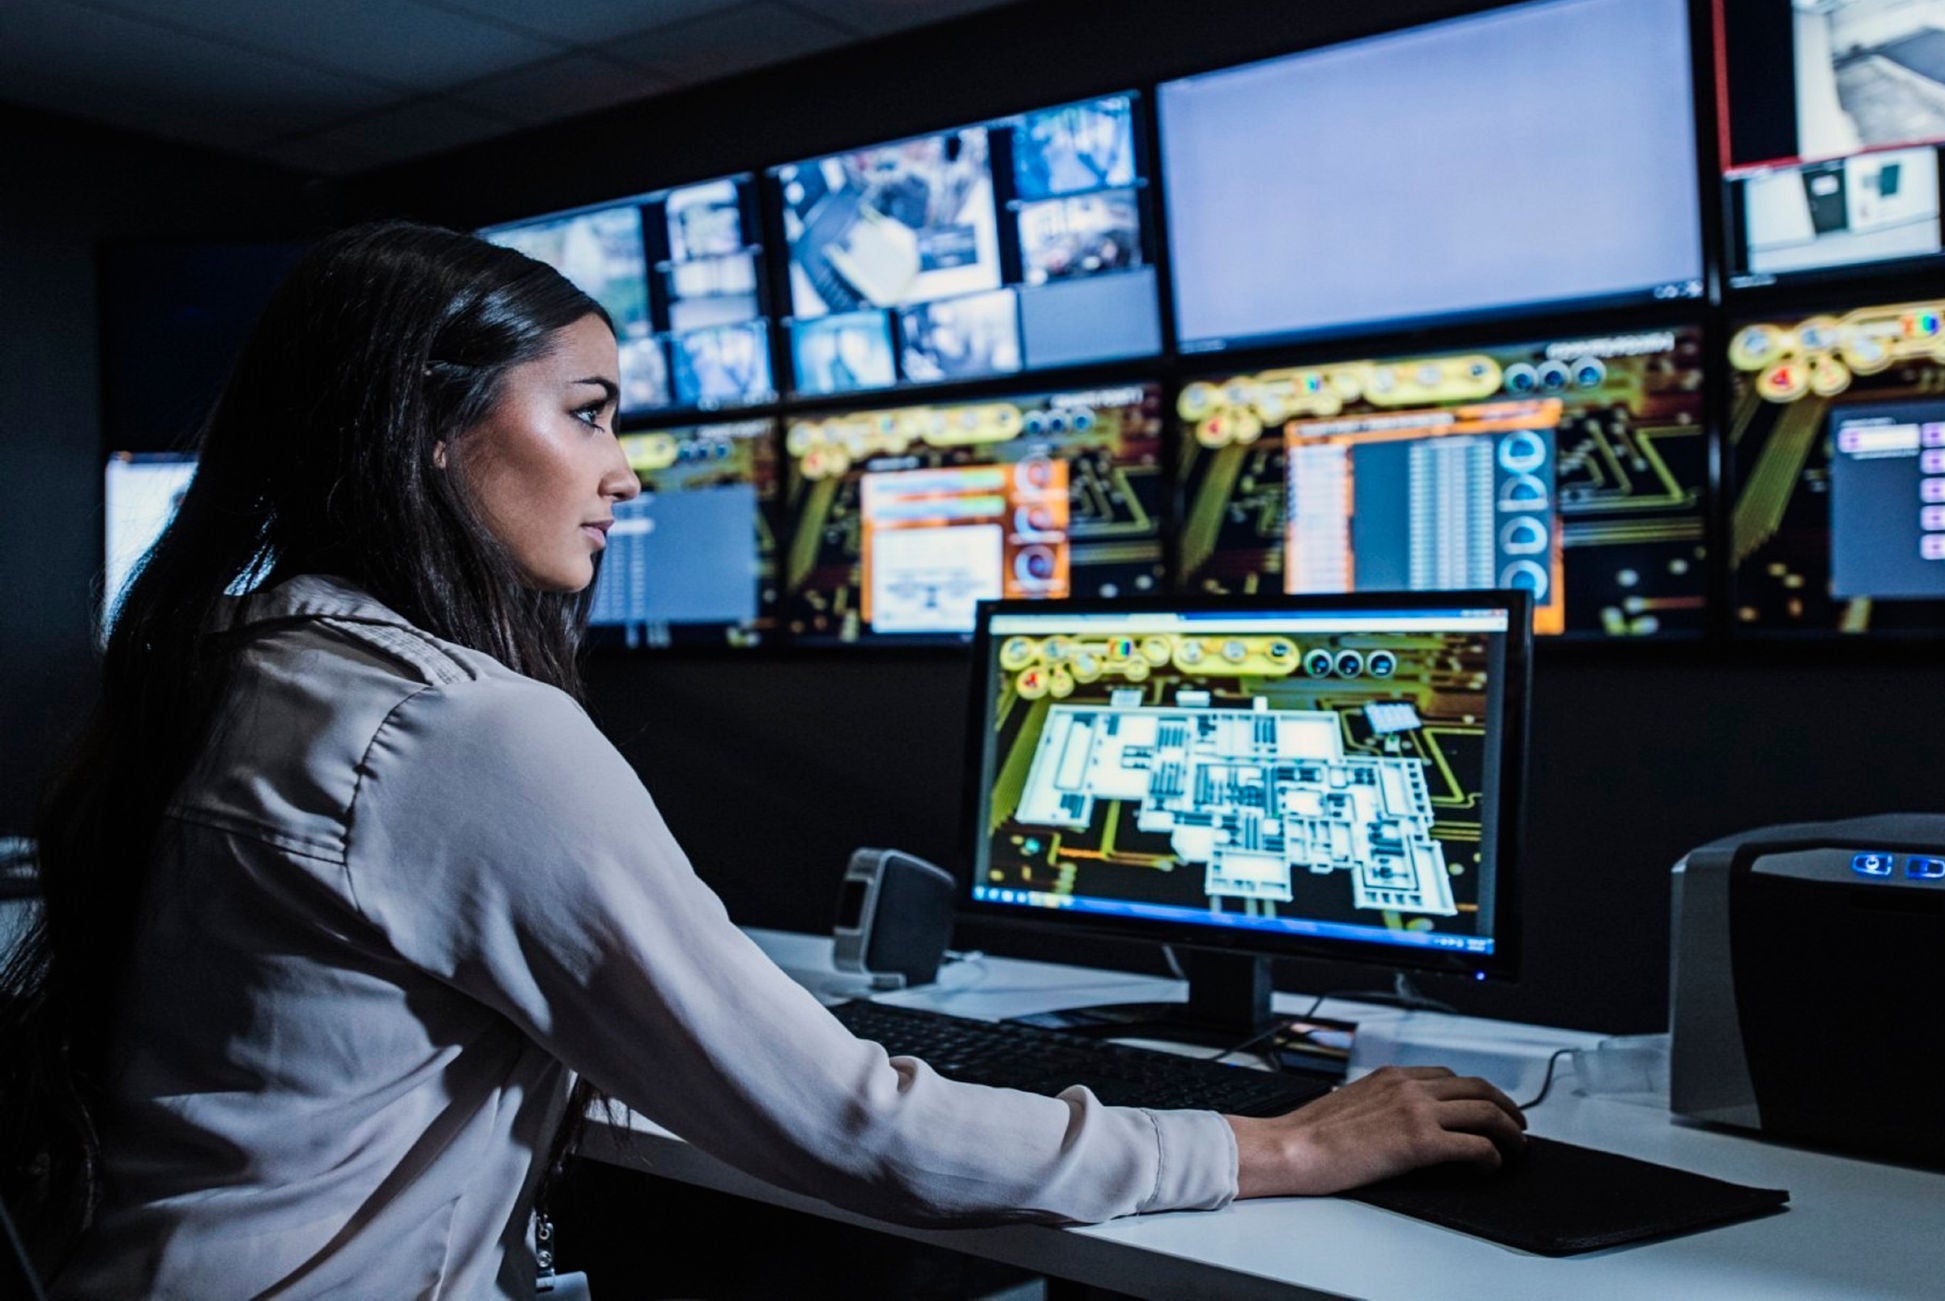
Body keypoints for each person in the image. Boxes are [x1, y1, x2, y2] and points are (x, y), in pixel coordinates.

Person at [0, 222, 1525, 1298]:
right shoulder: (460, 732)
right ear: (431, 433)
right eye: (589, 413)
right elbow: (861, 1126)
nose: (624, 469)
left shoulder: (238, 670)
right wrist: (1280, 1140)